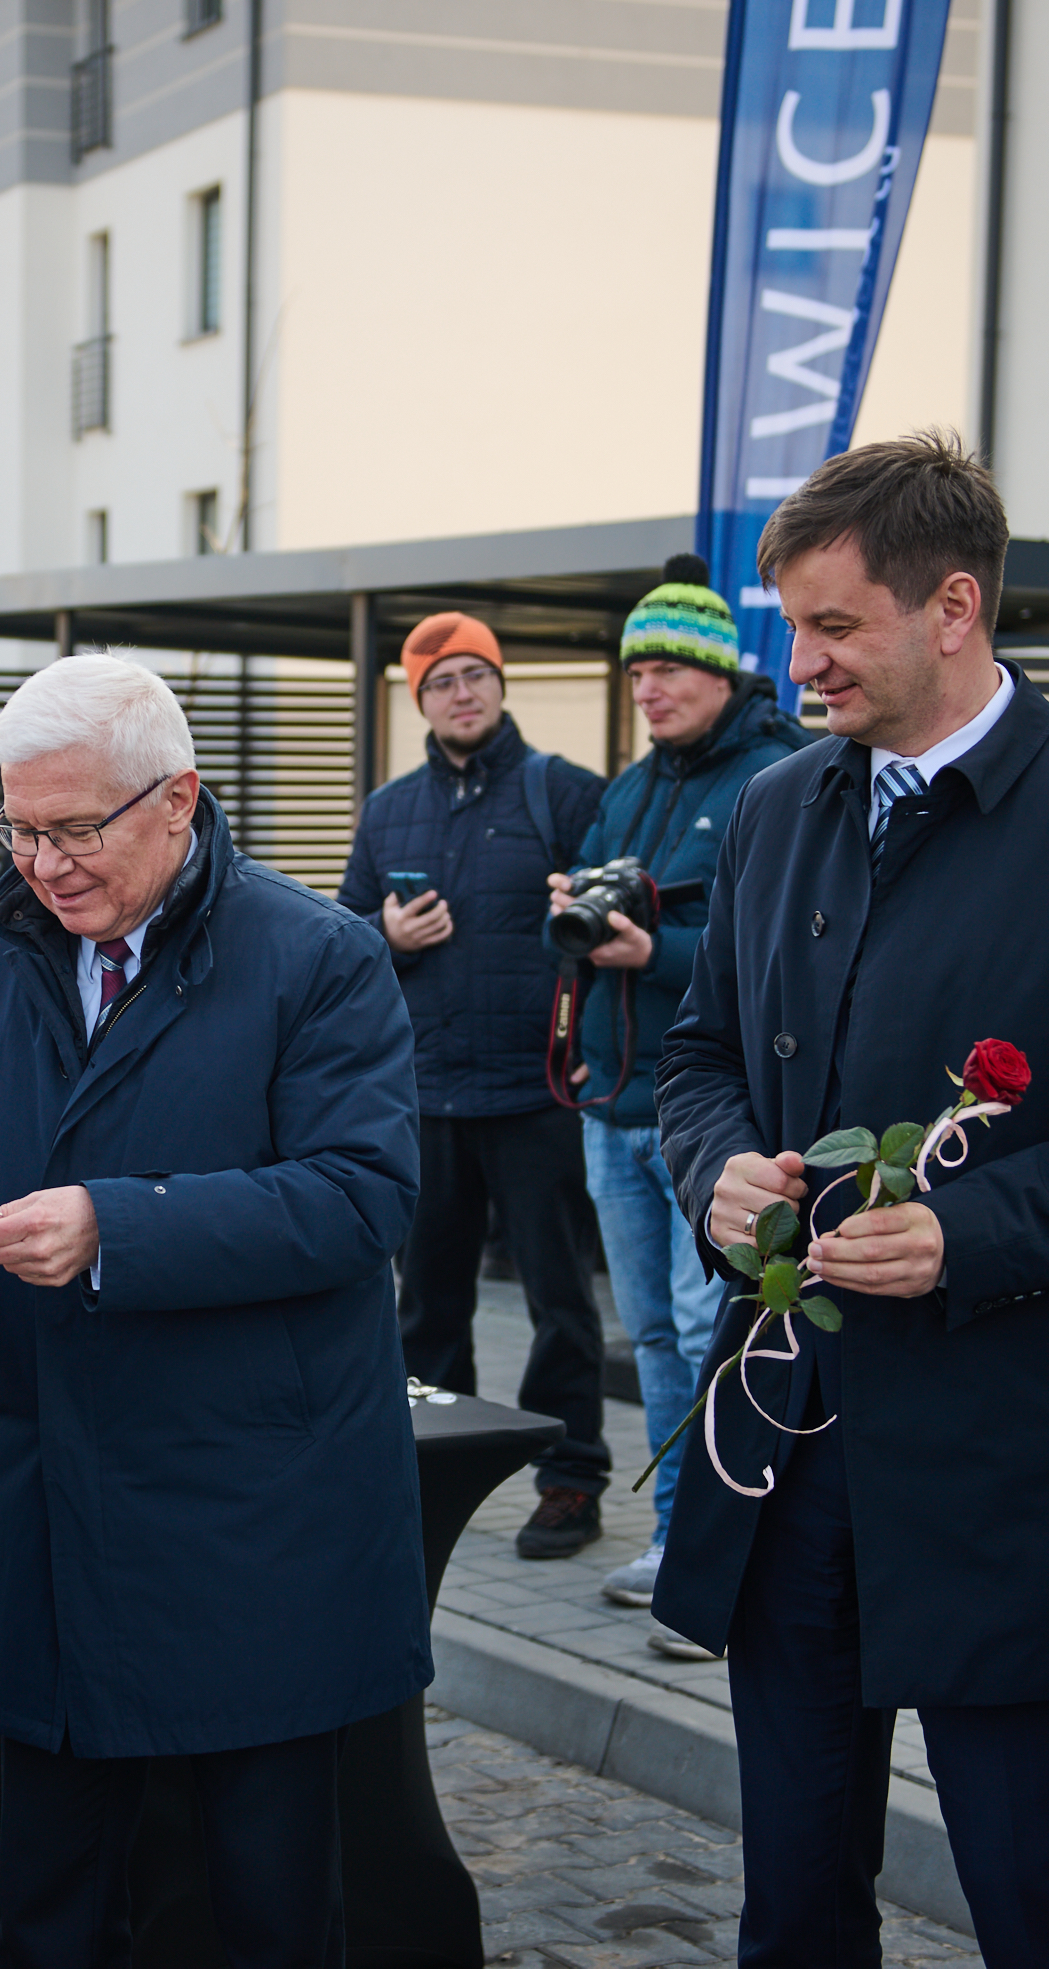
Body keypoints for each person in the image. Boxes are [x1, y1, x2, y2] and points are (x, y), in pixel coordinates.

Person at [652, 433, 1049, 1965]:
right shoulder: (779, 809)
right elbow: (700, 1054)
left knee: (1041, 1905)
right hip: (788, 1450)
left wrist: (964, 1233)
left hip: (1018, 1466)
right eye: (787, 626)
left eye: (833, 626)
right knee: (791, 1901)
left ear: (954, 607)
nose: (799, 663)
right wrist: (712, 1166)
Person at [0, 653, 428, 1969]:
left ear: (178, 801)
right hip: (52, 1498)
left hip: (251, 1520)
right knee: (53, 1911)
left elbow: (361, 1195)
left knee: (268, 1910)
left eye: (73, 829)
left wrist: (118, 1227)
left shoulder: (318, 957)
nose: (42, 863)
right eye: (19, 826)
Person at [550, 557, 807, 1639]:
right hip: (613, 1103)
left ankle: (726, 1543)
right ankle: (670, 1534)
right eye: (636, 671)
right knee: (652, 1333)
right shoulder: (632, 784)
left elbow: (785, 952)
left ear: (716, 670)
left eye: (666, 669)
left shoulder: (779, 775)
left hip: (711, 1117)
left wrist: (655, 952)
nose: (647, 689)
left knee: (716, 1327)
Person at [335, 613, 609, 1559]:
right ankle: (420, 1467)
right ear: (419, 697)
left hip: (536, 1092)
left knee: (558, 1297)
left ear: (499, 687)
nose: (462, 692)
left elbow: (611, 919)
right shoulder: (387, 809)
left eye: (475, 675)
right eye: (441, 679)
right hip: (425, 1093)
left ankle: (571, 1476)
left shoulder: (564, 792)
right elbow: (339, 946)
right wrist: (385, 934)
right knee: (426, 1306)